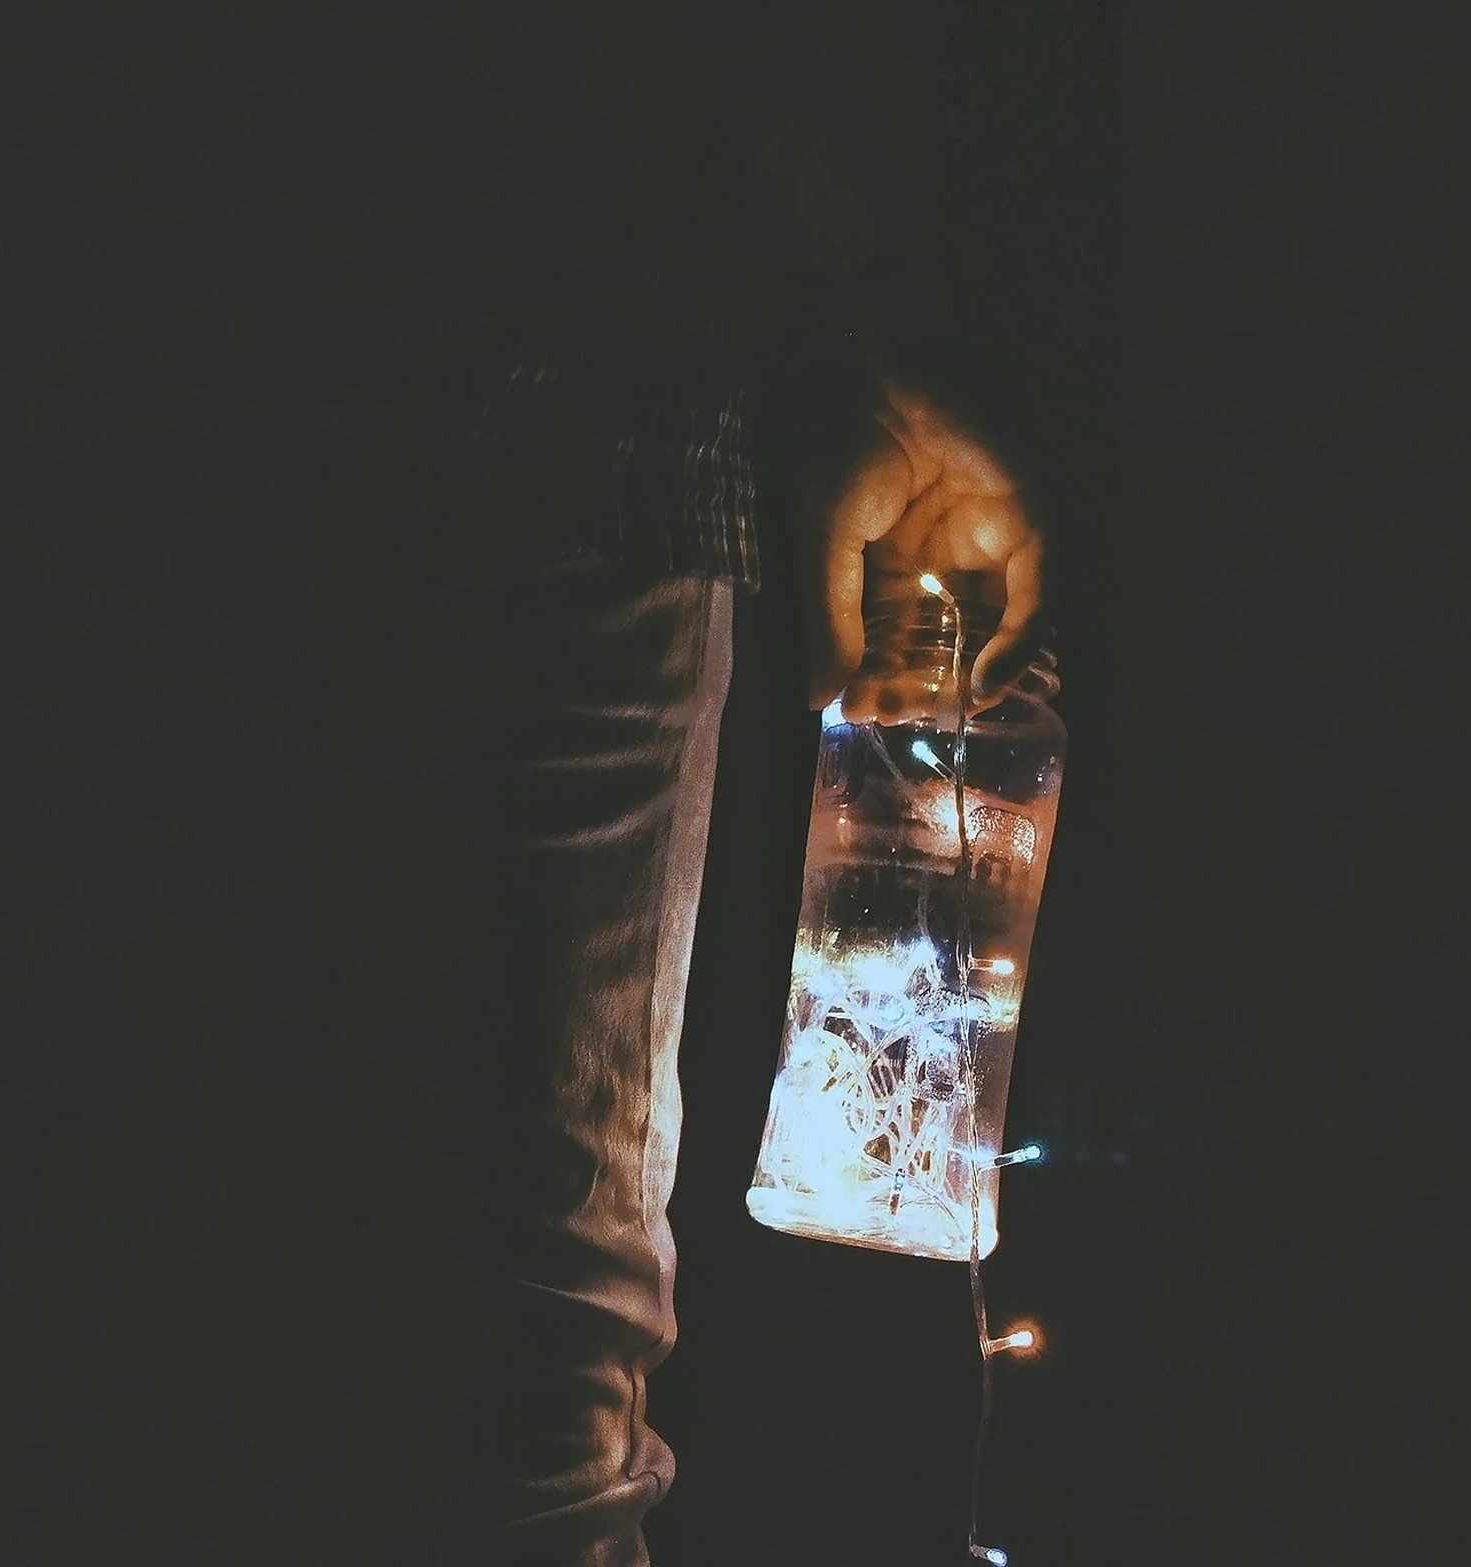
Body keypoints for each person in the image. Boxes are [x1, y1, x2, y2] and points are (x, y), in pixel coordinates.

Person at [397, 15, 1055, 1559]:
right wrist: (843, 315)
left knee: (522, 1333)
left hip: (570, 399)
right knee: (537, 1353)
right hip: (571, 426)